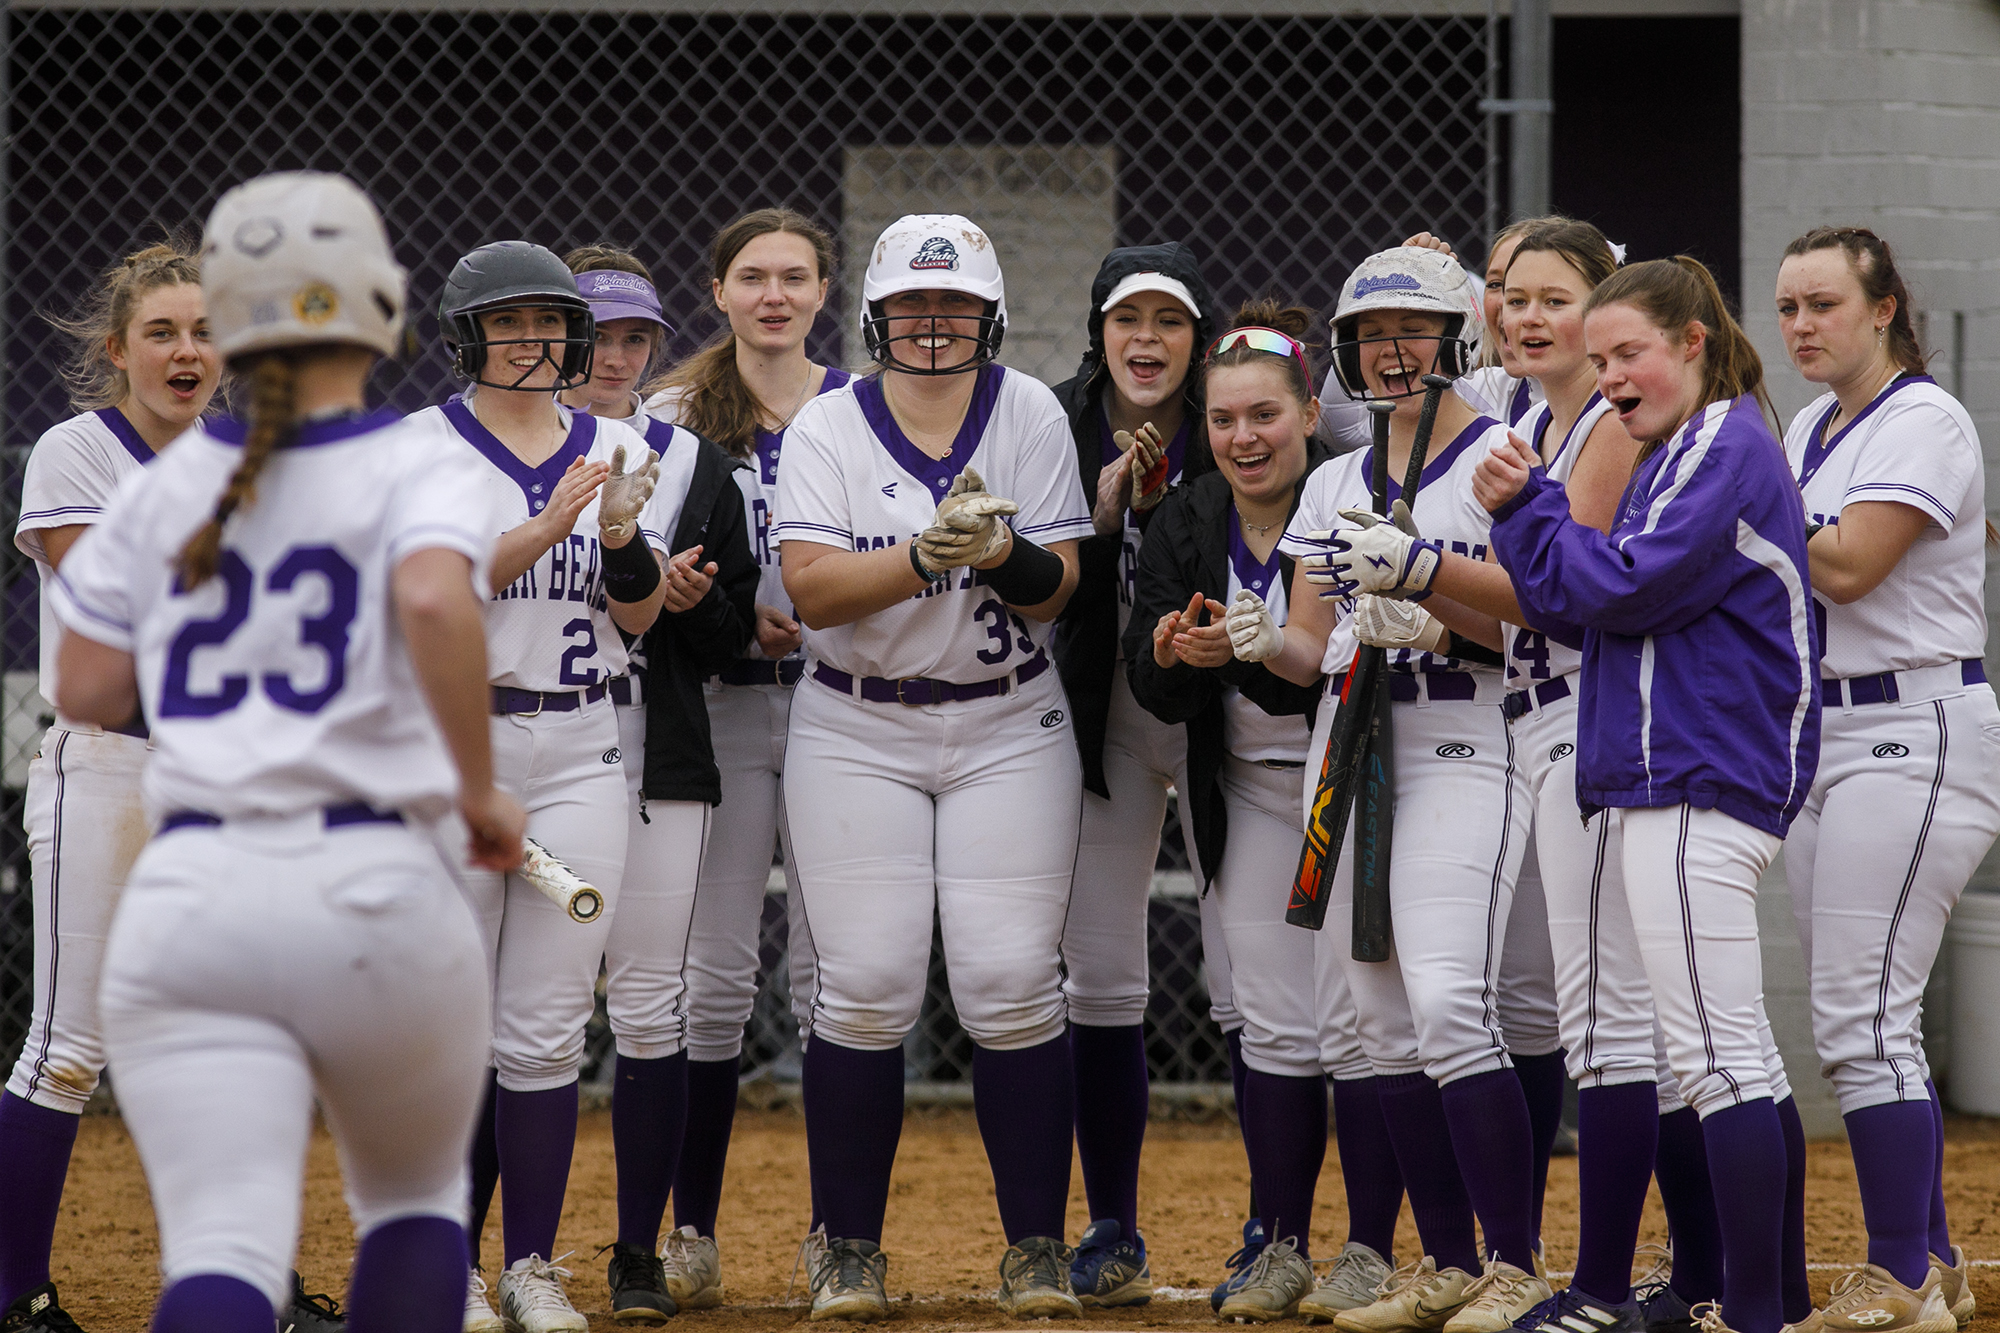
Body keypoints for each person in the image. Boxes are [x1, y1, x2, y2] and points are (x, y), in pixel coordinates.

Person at [48, 170, 525, 1333]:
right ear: (378, 304)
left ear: (231, 318)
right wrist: (478, 791)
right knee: (414, 1204)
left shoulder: (166, 491)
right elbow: (432, 601)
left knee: (220, 1247)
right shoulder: (428, 462)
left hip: (190, 894)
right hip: (374, 884)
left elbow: (86, 686)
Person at [1470, 256, 1820, 1333]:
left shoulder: (1722, 443)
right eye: (1602, 358)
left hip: (1695, 773)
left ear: (1688, 345)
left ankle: (1752, 1312)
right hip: (1673, 769)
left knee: (1715, 1058)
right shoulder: (1683, 452)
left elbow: (1612, 589)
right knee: (1725, 1053)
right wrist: (1535, 529)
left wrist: (1527, 506)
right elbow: (1583, 607)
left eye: (1629, 353)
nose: (1612, 375)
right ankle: (1767, 1297)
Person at [772, 214, 1093, 1321]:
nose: (931, 326)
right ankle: (847, 1248)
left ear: (988, 316)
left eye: (952, 308)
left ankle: (1037, 1248)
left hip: (1005, 721)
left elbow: (1058, 590)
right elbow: (811, 591)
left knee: (1009, 980)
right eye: (912, 306)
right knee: (864, 983)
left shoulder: (1032, 409)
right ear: (875, 316)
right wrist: (919, 558)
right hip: (857, 726)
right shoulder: (826, 426)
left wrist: (1000, 554)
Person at [1235, 244, 1550, 1333]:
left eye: (1410, 329)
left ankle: (1514, 1260)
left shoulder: (1505, 454)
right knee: (1376, 1021)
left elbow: (1531, 627)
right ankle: (1448, 1261)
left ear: (1458, 333)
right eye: (1371, 335)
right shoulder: (1330, 477)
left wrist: (1430, 606)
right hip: (1348, 741)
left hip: (1464, 731)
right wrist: (1259, 640)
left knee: (1451, 1001)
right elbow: (1308, 648)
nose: (1391, 351)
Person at [1125, 305, 1409, 1323]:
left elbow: (1316, 667)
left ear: (1305, 419)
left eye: (1265, 416)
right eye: (1224, 418)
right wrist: (1170, 652)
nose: (1244, 438)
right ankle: (1280, 1242)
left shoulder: (1350, 495)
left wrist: (1253, 647)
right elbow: (1147, 681)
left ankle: (1371, 1249)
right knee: (1274, 1025)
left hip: (1348, 775)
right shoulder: (1189, 516)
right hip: (1244, 788)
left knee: (1357, 1020)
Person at [408, 239, 668, 1333]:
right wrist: (555, 521)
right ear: (467, 334)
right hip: (456, 759)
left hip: (580, 757)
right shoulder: (421, 448)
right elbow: (441, 593)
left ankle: (532, 1265)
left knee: (550, 1023)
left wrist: (616, 534)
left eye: (545, 322)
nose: (530, 341)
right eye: (506, 323)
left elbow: (641, 615)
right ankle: (450, 1267)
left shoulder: (614, 440)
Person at [1776, 226, 1996, 1333]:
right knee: (1856, 1019)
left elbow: (1852, 568)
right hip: (1826, 733)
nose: (1801, 325)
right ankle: (1937, 1264)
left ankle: (1897, 1280)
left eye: (1822, 302)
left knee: (1861, 1020)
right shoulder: (1813, 424)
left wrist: (1727, 500)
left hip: (1915, 721)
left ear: (1881, 308)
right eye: (1786, 307)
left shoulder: (1923, 416)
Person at [0, 241, 221, 1333]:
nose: (187, 352)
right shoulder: (76, 449)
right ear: (118, 350)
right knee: (69, 1047)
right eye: (163, 333)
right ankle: (13, 1293)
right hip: (113, 764)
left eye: (205, 332)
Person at [642, 209, 849, 1308]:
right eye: (752, 276)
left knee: (827, 980)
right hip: (718, 707)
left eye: (794, 277)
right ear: (718, 291)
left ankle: (833, 1234)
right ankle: (692, 1231)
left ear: (824, 291)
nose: (773, 295)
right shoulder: (669, 416)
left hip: (831, 708)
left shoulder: (859, 406)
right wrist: (714, 607)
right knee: (709, 982)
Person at [558, 243, 758, 1323]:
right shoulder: (499, 458)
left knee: (651, 1004)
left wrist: (686, 599)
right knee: (525, 1012)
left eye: (636, 335)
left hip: (659, 756)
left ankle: (638, 1249)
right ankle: (487, 1249)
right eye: (597, 334)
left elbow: (729, 643)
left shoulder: (701, 469)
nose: (618, 354)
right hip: (536, 757)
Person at [1047, 241, 1219, 1307]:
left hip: (1210, 714)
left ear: (1197, 338)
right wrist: (1103, 514)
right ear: (1098, 331)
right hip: (1095, 713)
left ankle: (1274, 1226)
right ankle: (1111, 1224)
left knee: (1250, 975)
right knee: (1097, 971)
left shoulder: (1232, 413)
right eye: (1126, 319)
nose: (1145, 341)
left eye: (1168, 321)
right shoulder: (1050, 418)